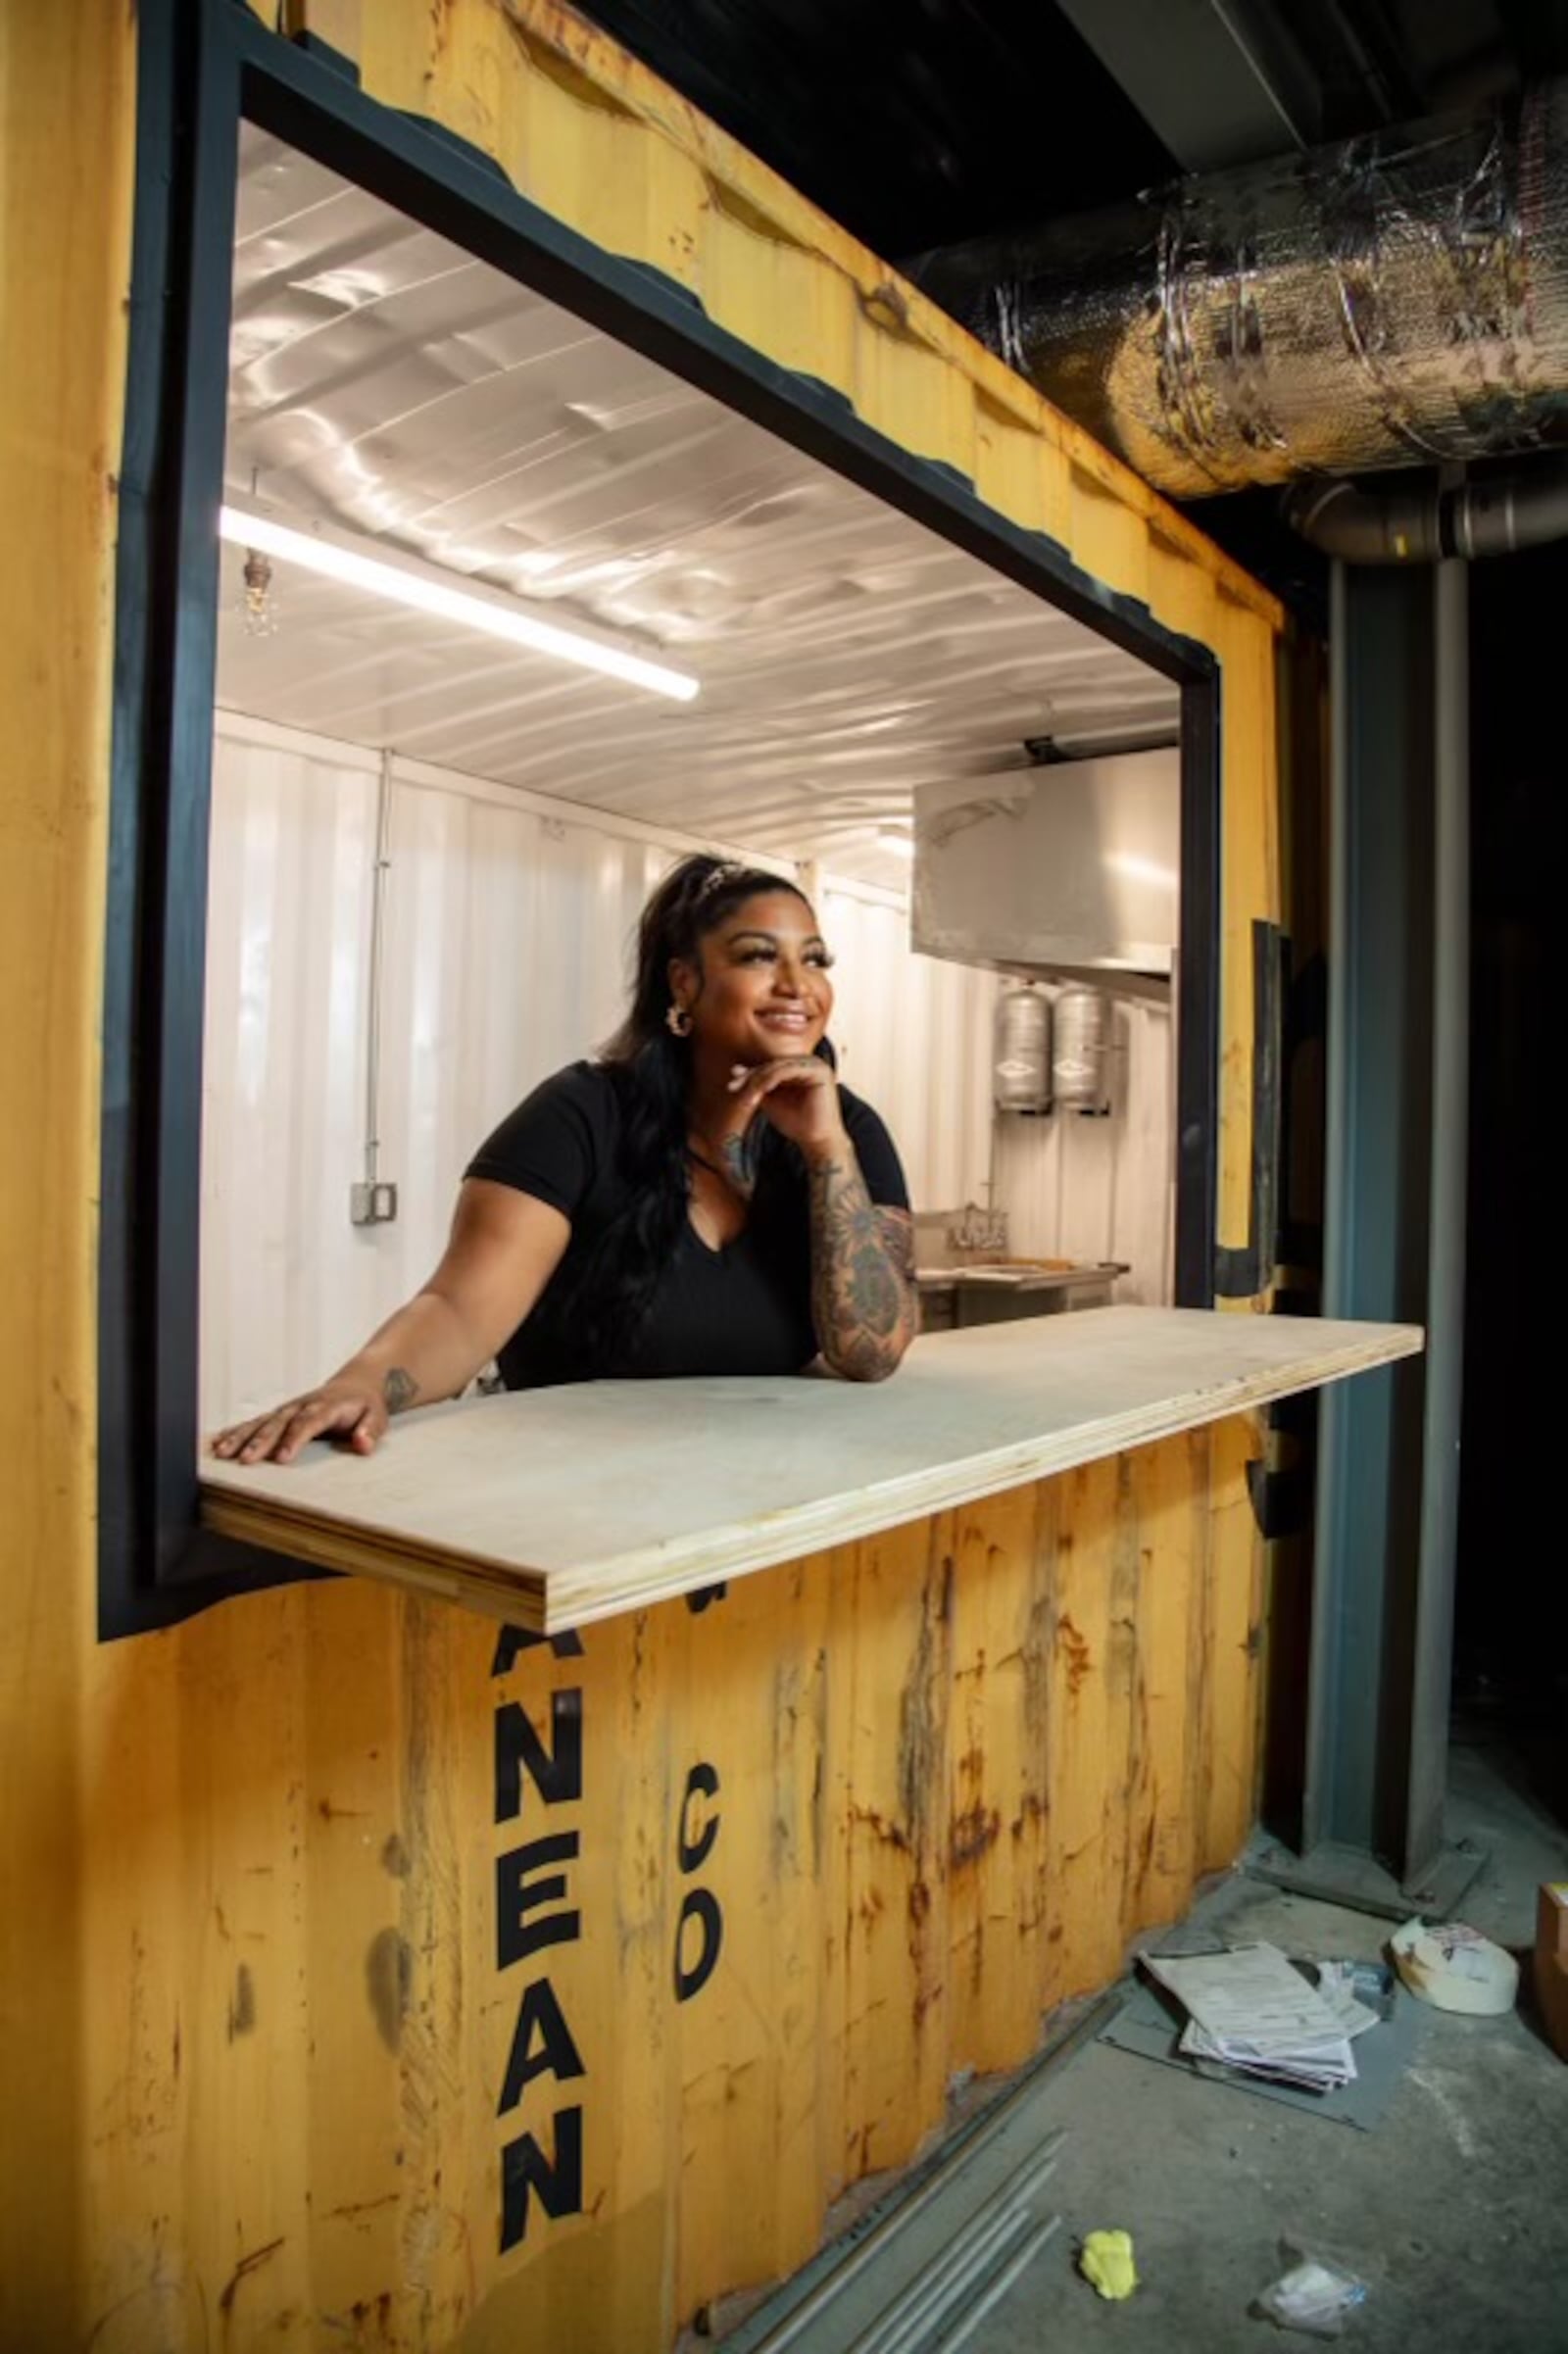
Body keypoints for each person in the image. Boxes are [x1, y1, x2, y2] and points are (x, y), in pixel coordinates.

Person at [213, 855, 918, 1465]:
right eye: (758, 955)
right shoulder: (581, 1115)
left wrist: (826, 1152)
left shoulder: (847, 1130)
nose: (798, 984)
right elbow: (459, 1310)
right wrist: (363, 1383)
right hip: (565, 1498)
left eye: (815, 958)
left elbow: (872, 1352)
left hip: (759, 1498)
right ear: (683, 984)